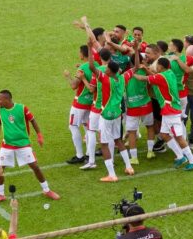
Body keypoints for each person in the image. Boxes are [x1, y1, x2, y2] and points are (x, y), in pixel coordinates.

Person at [0, 89, 60, 203]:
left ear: (7, 99)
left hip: (23, 144)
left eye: (0, 99)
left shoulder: (22, 108)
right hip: (7, 145)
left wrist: (39, 135)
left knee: (35, 167)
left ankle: (47, 190)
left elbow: (32, 120)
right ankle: (1, 194)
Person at [133, 55, 193, 170]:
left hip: (171, 112)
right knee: (164, 134)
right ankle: (180, 157)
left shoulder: (161, 77)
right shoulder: (169, 73)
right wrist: (145, 69)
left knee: (179, 137)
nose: (155, 67)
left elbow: (143, 78)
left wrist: (130, 74)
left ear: (160, 66)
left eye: (157, 65)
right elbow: (154, 76)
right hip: (169, 109)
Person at [86, 41, 134, 182]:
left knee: (104, 143)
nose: (105, 70)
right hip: (117, 114)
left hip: (106, 115)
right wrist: (136, 51)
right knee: (117, 140)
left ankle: (112, 175)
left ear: (110, 71)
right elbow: (136, 67)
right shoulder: (123, 78)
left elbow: (91, 67)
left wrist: (89, 48)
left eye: (107, 68)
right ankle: (129, 166)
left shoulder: (106, 80)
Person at [123, 46, 156, 164]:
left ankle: (134, 158)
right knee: (150, 127)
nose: (146, 59)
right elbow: (156, 78)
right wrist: (146, 69)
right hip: (146, 104)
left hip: (132, 107)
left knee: (132, 132)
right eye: (145, 58)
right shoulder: (144, 71)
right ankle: (150, 151)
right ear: (140, 61)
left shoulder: (125, 74)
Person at [63, 45, 93, 165]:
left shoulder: (82, 69)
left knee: (73, 126)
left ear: (82, 54)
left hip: (80, 103)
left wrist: (68, 76)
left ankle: (80, 155)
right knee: (88, 128)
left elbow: (74, 85)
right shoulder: (95, 65)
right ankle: (89, 155)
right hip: (91, 102)